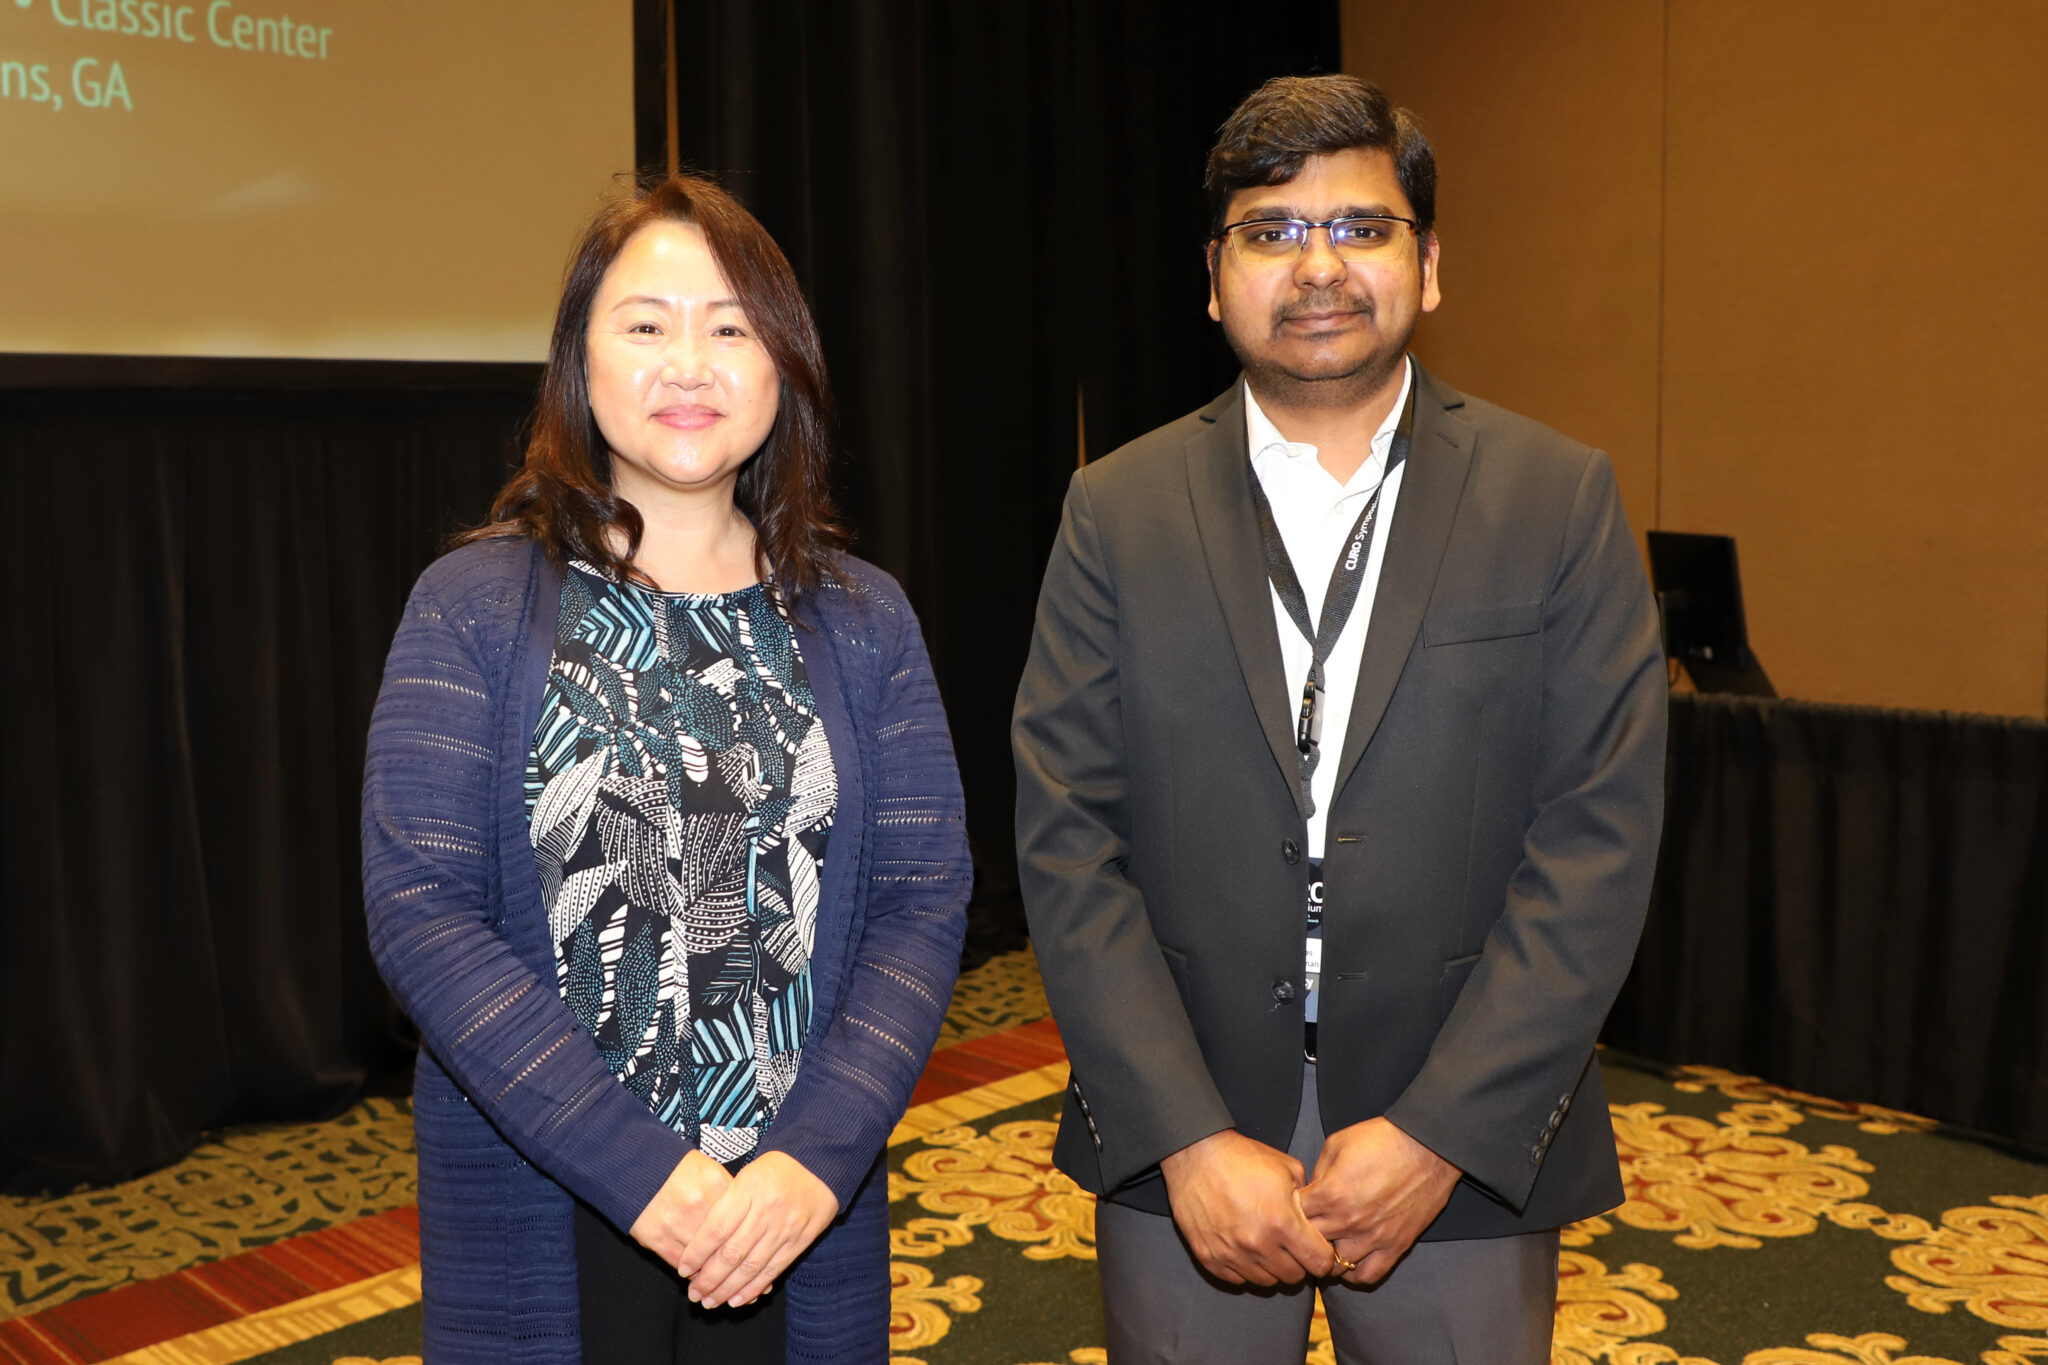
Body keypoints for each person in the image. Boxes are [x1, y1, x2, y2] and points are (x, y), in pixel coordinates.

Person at [1013, 74, 1666, 1363]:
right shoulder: (1114, 508)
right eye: (1271, 232)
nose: (1317, 266)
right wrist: (1186, 1139)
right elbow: (1066, 837)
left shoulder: (1556, 497)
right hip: (1185, 1127)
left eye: (1360, 229)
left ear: (1428, 267)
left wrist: (1439, 1133)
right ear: (1214, 279)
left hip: (1460, 1135)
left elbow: (1596, 835)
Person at [362, 173, 971, 1364]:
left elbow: (918, 901)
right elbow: (420, 912)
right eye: (645, 325)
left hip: (794, 1205)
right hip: (558, 1190)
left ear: (781, 366)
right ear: (577, 361)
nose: (687, 364)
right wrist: (647, 1177)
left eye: (730, 328)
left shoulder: (865, 619)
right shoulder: (472, 607)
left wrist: (814, 1161)